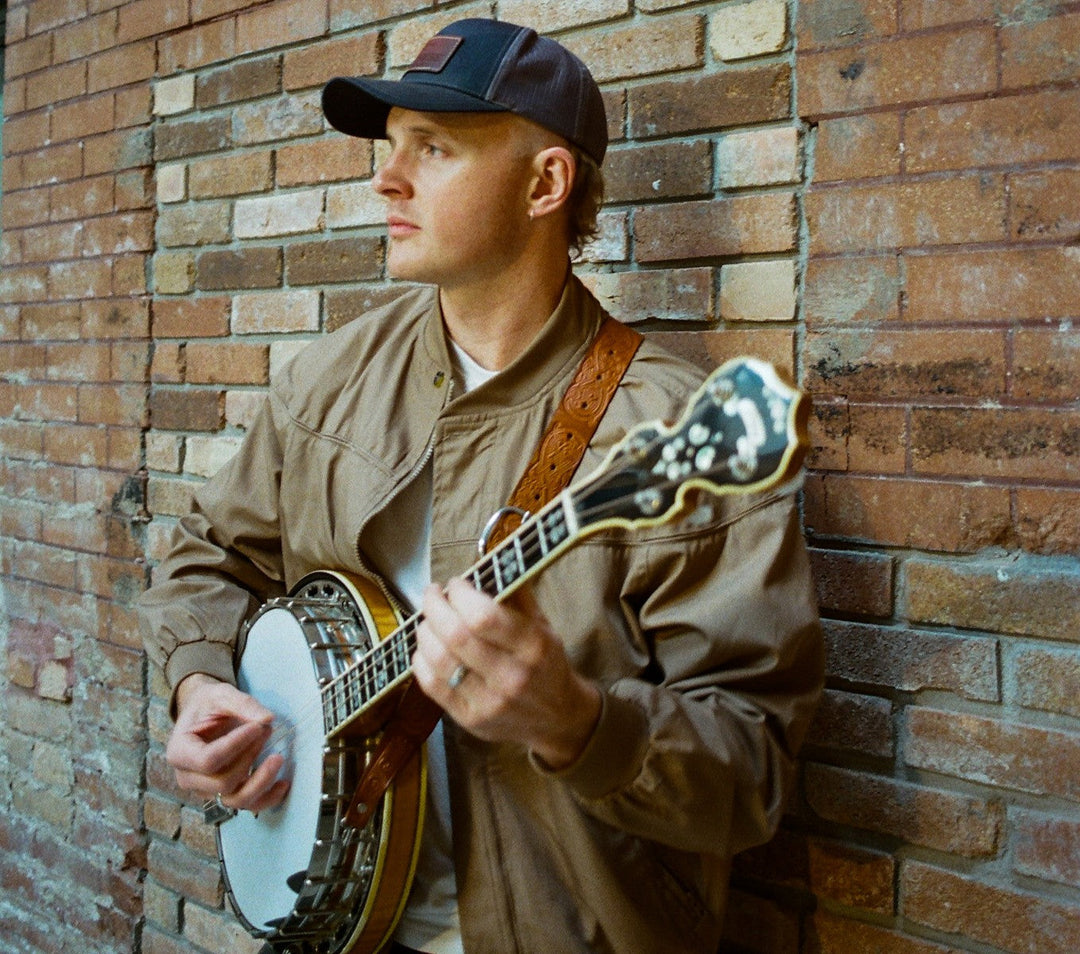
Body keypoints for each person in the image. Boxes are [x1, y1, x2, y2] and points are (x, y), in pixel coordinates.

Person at [139, 17, 823, 954]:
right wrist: (200, 684)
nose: (386, 177)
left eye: (434, 148)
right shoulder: (328, 381)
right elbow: (206, 556)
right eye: (389, 148)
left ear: (546, 183)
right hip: (337, 923)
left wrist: (583, 725)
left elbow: (756, 775)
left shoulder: (671, 431)